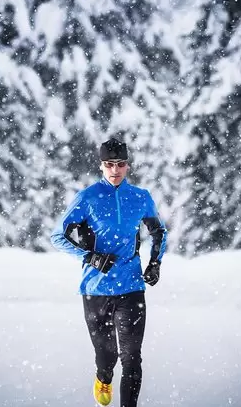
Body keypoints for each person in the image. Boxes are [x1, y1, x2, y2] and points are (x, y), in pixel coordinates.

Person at [50, 137, 167, 407]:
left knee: (132, 358)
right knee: (107, 357)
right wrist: (90, 257)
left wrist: (154, 263)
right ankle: (103, 376)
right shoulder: (88, 197)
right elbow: (58, 236)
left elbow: (159, 231)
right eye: (109, 164)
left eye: (121, 164)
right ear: (102, 166)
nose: (115, 170)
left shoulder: (140, 197)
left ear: (127, 166)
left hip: (131, 287)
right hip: (95, 290)